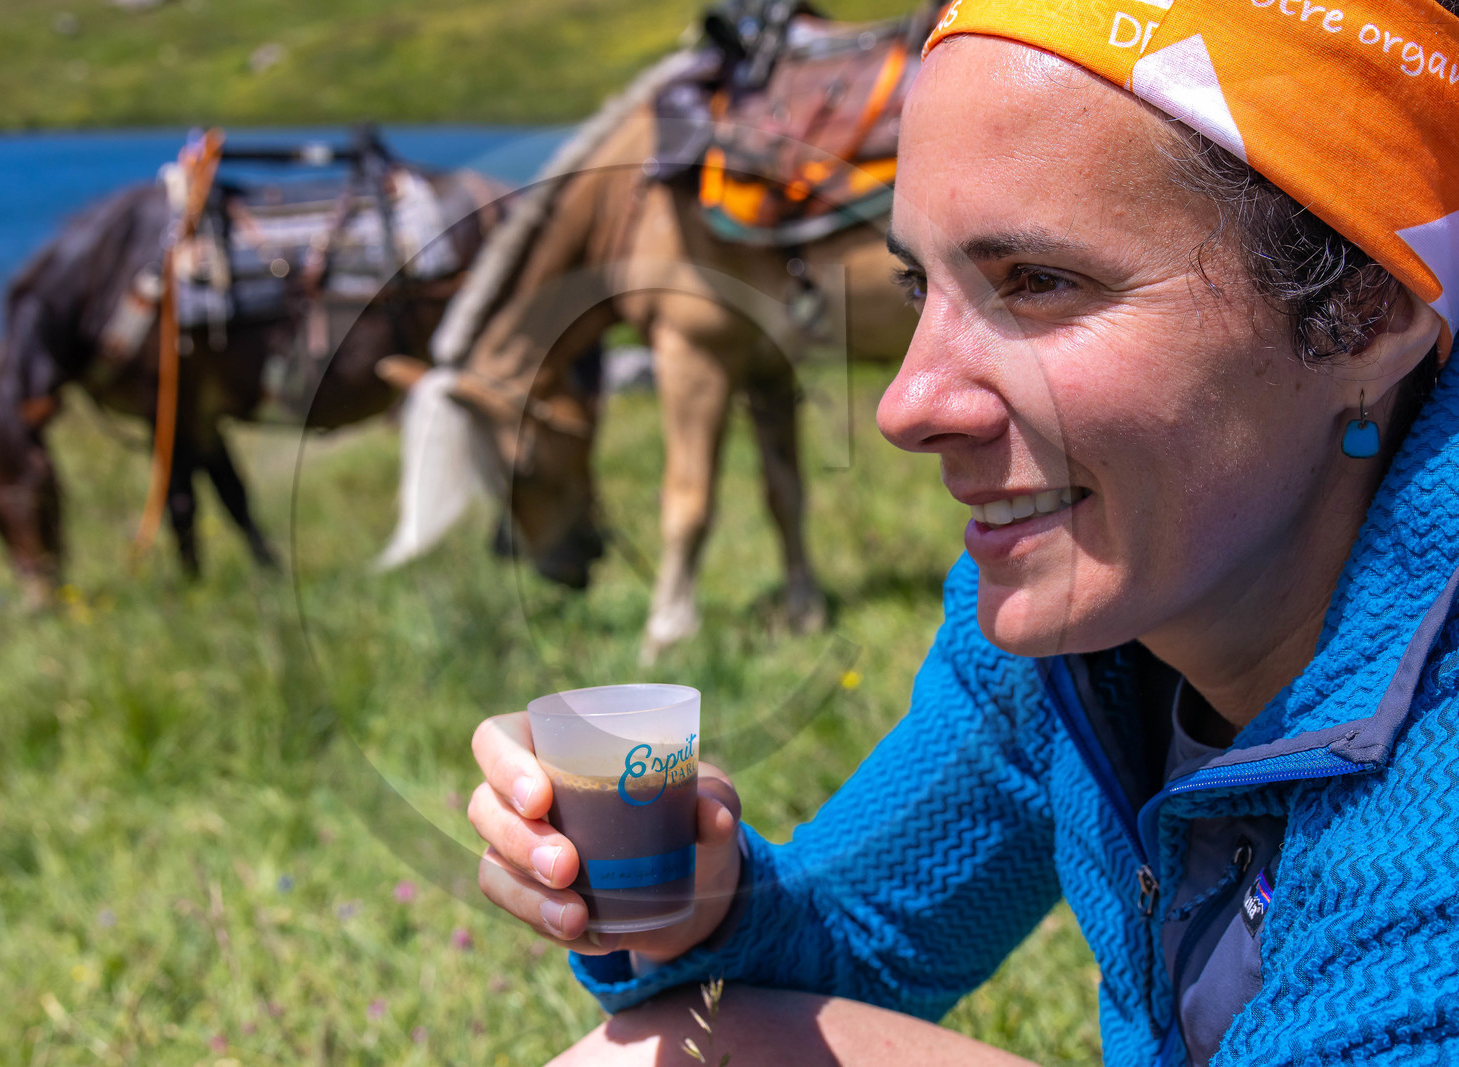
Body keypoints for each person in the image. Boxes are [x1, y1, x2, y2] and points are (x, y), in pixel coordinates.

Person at [467, 0, 1459, 1061]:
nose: (904, 405)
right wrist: (700, 899)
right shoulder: (1078, 633)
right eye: (916, 285)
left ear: (1364, 313)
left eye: (1037, 283)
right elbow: (856, 942)